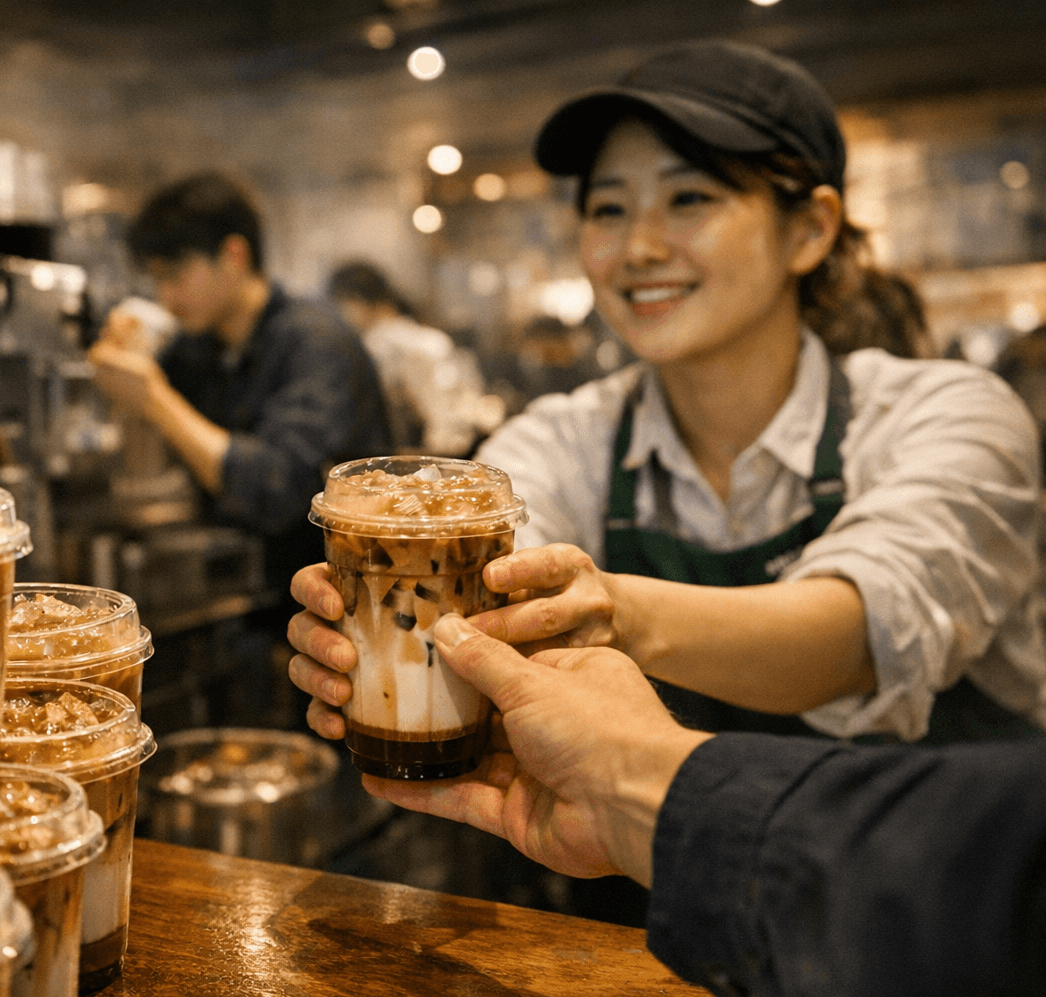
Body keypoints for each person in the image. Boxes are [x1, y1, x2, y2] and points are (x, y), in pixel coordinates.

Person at [290, 39, 1046, 744]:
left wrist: (614, 615)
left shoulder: (953, 417)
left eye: (689, 200)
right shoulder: (566, 437)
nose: (641, 248)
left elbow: (861, 635)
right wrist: (383, 606)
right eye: (609, 209)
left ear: (810, 230)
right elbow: (492, 567)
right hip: (649, 877)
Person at [331, 612, 1046, 997]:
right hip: (695, 906)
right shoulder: (587, 422)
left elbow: (883, 628)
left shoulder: (932, 410)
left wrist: (614, 611)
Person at [86, 172, 391, 595]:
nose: (165, 298)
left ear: (233, 255)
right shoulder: (201, 346)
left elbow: (277, 490)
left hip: (332, 598)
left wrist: (155, 398)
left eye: (174, 275)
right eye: (157, 281)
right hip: (247, 594)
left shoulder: (315, 341)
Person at [327, 261, 503, 456]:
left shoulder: (386, 344)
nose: (337, 317)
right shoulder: (424, 337)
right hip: (447, 451)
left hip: (425, 459)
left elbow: (443, 420)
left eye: (339, 306)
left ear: (356, 300)